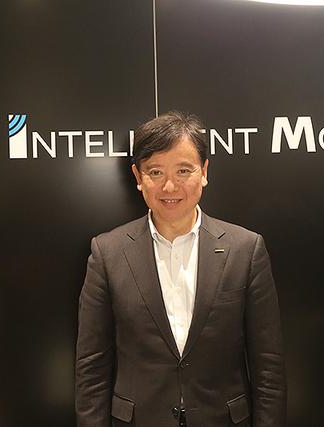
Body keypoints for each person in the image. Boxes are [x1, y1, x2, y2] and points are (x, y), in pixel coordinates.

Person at [75, 112, 286, 427]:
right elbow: (91, 369)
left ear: (204, 172)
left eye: (183, 170)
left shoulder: (246, 249)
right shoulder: (107, 253)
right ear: (138, 176)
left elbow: (268, 367)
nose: (170, 186)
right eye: (155, 172)